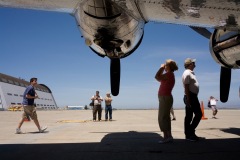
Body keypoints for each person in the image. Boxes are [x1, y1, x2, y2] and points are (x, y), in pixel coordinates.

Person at [155, 59, 178, 143]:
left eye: (166, 64)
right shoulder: (169, 75)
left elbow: (156, 76)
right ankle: (169, 136)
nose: (164, 65)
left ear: (169, 66)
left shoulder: (169, 74)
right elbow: (158, 79)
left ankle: (166, 137)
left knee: (162, 118)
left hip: (165, 97)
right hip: (165, 97)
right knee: (166, 118)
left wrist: (161, 68)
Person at [182, 58, 202, 141]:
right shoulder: (187, 73)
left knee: (189, 116)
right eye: (193, 63)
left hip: (192, 96)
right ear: (190, 64)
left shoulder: (191, 73)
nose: (194, 64)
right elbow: (186, 86)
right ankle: (190, 132)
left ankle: (189, 134)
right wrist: (188, 98)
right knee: (198, 114)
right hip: (190, 96)